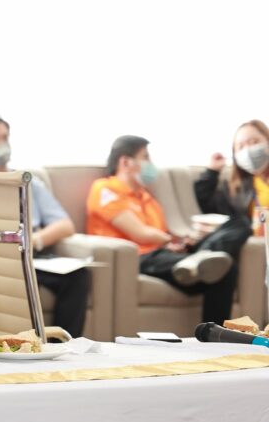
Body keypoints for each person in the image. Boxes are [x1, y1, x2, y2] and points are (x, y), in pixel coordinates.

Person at [86, 135, 239, 324]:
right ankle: (197, 260)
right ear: (125, 162)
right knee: (211, 265)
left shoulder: (146, 197)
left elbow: (161, 234)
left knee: (226, 265)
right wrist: (171, 240)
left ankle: (214, 333)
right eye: (146, 157)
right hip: (139, 258)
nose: (151, 164)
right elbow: (140, 233)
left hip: (162, 255)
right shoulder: (105, 189)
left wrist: (182, 242)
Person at [0, 114, 89, 337]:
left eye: (5, 138)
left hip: (28, 255)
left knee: (77, 276)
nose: (2, 144)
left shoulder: (29, 182)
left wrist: (34, 240)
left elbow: (65, 225)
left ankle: (63, 346)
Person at [195, 119, 269, 239]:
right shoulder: (236, 188)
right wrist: (211, 172)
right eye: (240, 147)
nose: (248, 150)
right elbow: (210, 208)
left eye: (254, 142)